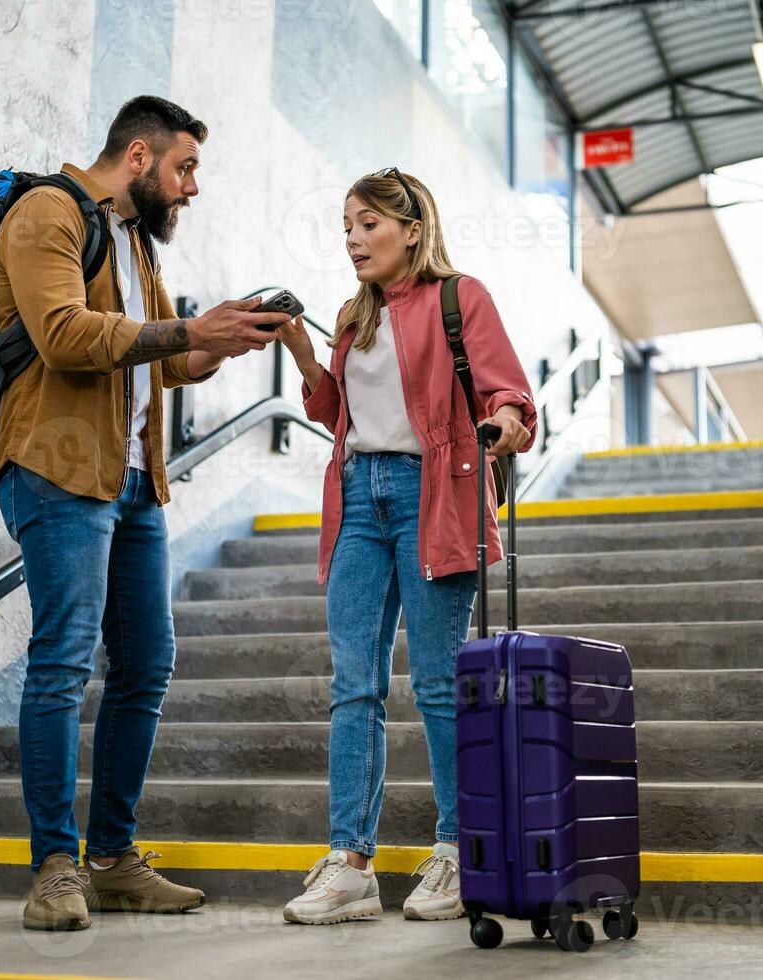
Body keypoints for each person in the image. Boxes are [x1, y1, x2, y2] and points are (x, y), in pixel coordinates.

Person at [0, 95, 290, 931]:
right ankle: (54, 868)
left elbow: (162, 356)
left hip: (130, 481)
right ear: (137, 158)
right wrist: (181, 331)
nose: (191, 188)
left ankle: (113, 859)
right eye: (184, 168)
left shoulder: (131, 244)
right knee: (61, 659)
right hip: (55, 467)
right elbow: (65, 336)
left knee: (148, 662)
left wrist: (220, 339)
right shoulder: (46, 212)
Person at [275, 168, 537, 925]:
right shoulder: (353, 315)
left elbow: (506, 390)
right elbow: (335, 412)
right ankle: (351, 865)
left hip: (434, 493)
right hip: (358, 495)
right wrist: (301, 349)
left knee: (434, 683)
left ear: (412, 229)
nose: (353, 240)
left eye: (368, 225)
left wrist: (510, 420)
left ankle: (458, 850)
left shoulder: (462, 298)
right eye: (347, 227)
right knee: (353, 685)